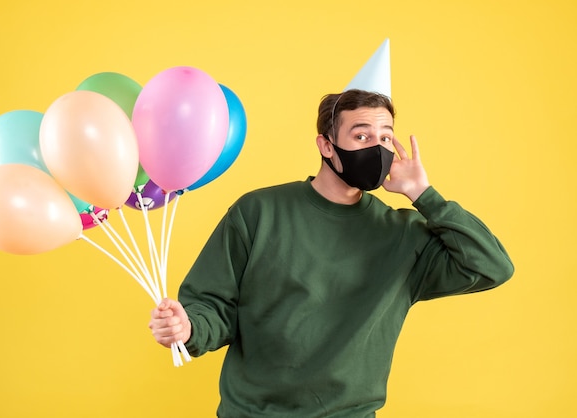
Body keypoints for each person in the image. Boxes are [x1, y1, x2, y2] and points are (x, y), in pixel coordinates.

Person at [148, 89, 514, 417]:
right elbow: (212, 305)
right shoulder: (258, 212)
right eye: (362, 135)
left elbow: (492, 266)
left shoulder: (403, 235)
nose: (378, 147)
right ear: (326, 146)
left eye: (386, 137)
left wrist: (424, 195)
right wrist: (188, 327)